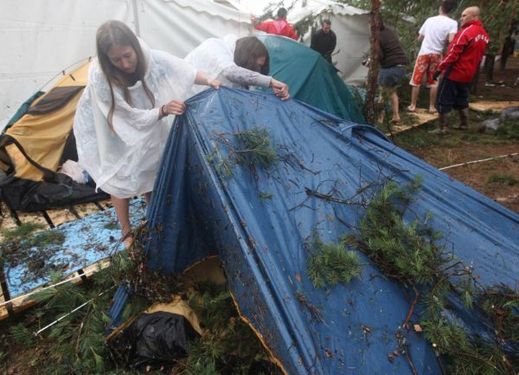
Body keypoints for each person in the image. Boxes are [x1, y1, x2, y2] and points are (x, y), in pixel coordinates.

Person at [73, 20, 219, 245]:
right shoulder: (101, 77)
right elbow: (125, 117)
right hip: (109, 118)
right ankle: (126, 232)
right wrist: (161, 110)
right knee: (119, 169)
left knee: (151, 162)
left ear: (134, 47)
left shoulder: (148, 56)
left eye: (127, 55)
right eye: (117, 59)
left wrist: (209, 79)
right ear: (107, 60)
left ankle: (156, 215)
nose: (125, 63)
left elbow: (182, 69)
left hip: (144, 109)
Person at [432, 6, 489, 134]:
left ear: (474, 17)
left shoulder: (466, 32)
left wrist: (439, 69)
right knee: (462, 98)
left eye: (464, 15)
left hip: (454, 72)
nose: (461, 18)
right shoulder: (484, 34)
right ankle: (464, 124)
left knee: (443, 99)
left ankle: (442, 128)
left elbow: (453, 53)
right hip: (468, 74)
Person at [185, 35, 289, 100]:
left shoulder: (238, 68)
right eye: (257, 66)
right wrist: (271, 82)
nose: (257, 71)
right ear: (248, 58)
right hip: (179, 102)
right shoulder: (215, 46)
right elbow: (231, 72)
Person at [407, 1, 457, 113]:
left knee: (416, 80)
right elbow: (451, 41)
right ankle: (431, 107)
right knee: (433, 81)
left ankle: (412, 105)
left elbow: (420, 38)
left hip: (424, 53)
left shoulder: (429, 20)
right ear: (451, 11)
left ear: (440, 8)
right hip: (437, 55)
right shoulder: (453, 23)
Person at [378, 19, 409, 124]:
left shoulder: (377, 36)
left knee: (382, 92)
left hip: (391, 67)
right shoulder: (389, 31)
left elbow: (379, 55)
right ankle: (396, 116)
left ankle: (380, 120)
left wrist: (372, 62)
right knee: (391, 91)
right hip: (401, 66)